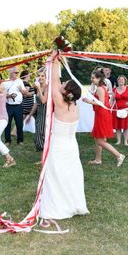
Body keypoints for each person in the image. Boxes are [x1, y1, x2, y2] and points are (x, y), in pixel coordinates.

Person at [38, 54, 88, 221]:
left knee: (56, 175)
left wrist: (54, 60)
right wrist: (56, 61)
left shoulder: (60, 103)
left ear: (67, 91)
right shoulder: (74, 105)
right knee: (70, 175)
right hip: (71, 146)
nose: (63, 83)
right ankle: (72, 203)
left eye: (65, 83)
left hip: (58, 146)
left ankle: (58, 207)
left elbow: (54, 81)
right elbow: (56, 81)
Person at [82, 69, 125, 166]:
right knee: (98, 138)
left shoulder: (100, 89)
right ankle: (98, 159)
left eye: (93, 78)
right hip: (100, 114)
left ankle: (119, 155)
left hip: (102, 115)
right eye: (92, 78)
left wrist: (89, 101)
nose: (92, 79)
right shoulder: (100, 87)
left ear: (99, 78)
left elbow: (101, 103)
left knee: (100, 140)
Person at [3, 66, 31, 145]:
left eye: (18, 72)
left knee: (19, 123)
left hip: (18, 106)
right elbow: (1, 94)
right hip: (9, 105)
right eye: (16, 72)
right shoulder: (5, 82)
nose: (17, 74)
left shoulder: (20, 81)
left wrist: (21, 90)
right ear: (11, 73)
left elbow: (25, 93)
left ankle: (20, 140)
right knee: (7, 123)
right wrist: (8, 96)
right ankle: (7, 141)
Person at [25, 69, 48, 160]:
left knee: (41, 135)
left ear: (46, 77)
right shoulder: (38, 88)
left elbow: (43, 101)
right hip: (38, 114)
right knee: (38, 136)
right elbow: (36, 103)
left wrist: (38, 88)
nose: (40, 78)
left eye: (43, 76)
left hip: (45, 113)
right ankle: (42, 158)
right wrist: (29, 115)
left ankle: (45, 159)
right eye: (39, 76)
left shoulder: (46, 88)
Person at [112, 75, 128, 146]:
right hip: (116, 109)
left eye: (122, 80)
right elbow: (112, 100)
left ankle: (126, 141)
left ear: (125, 81)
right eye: (119, 80)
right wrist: (108, 107)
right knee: (117, 126)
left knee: (126, 126)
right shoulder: (114, 89)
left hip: (126, 109)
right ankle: (119, 141)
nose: (121, 81)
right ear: (117, 81)